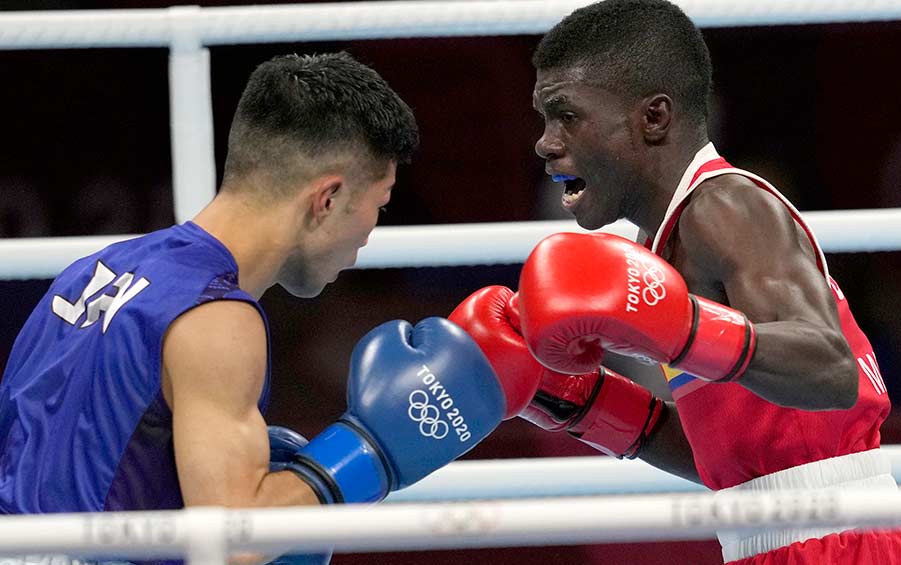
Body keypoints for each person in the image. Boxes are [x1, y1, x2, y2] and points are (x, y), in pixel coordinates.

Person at [449, 1, 901, 563]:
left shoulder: (726, 207)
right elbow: (733, 463)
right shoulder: (657, 249)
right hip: (767, 542)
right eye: (544, 117)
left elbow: (830, 372)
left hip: (849, 544)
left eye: (567, 115)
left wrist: (684, 328)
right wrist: (581, 404)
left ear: (653, 118)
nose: (545, 142)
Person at [0, 53, 524, 564]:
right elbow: (237, 542)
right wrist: (371, 452)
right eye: (378, 205)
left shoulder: (95, 270)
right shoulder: (216, 318)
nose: (370, 232)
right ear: (327, 198)